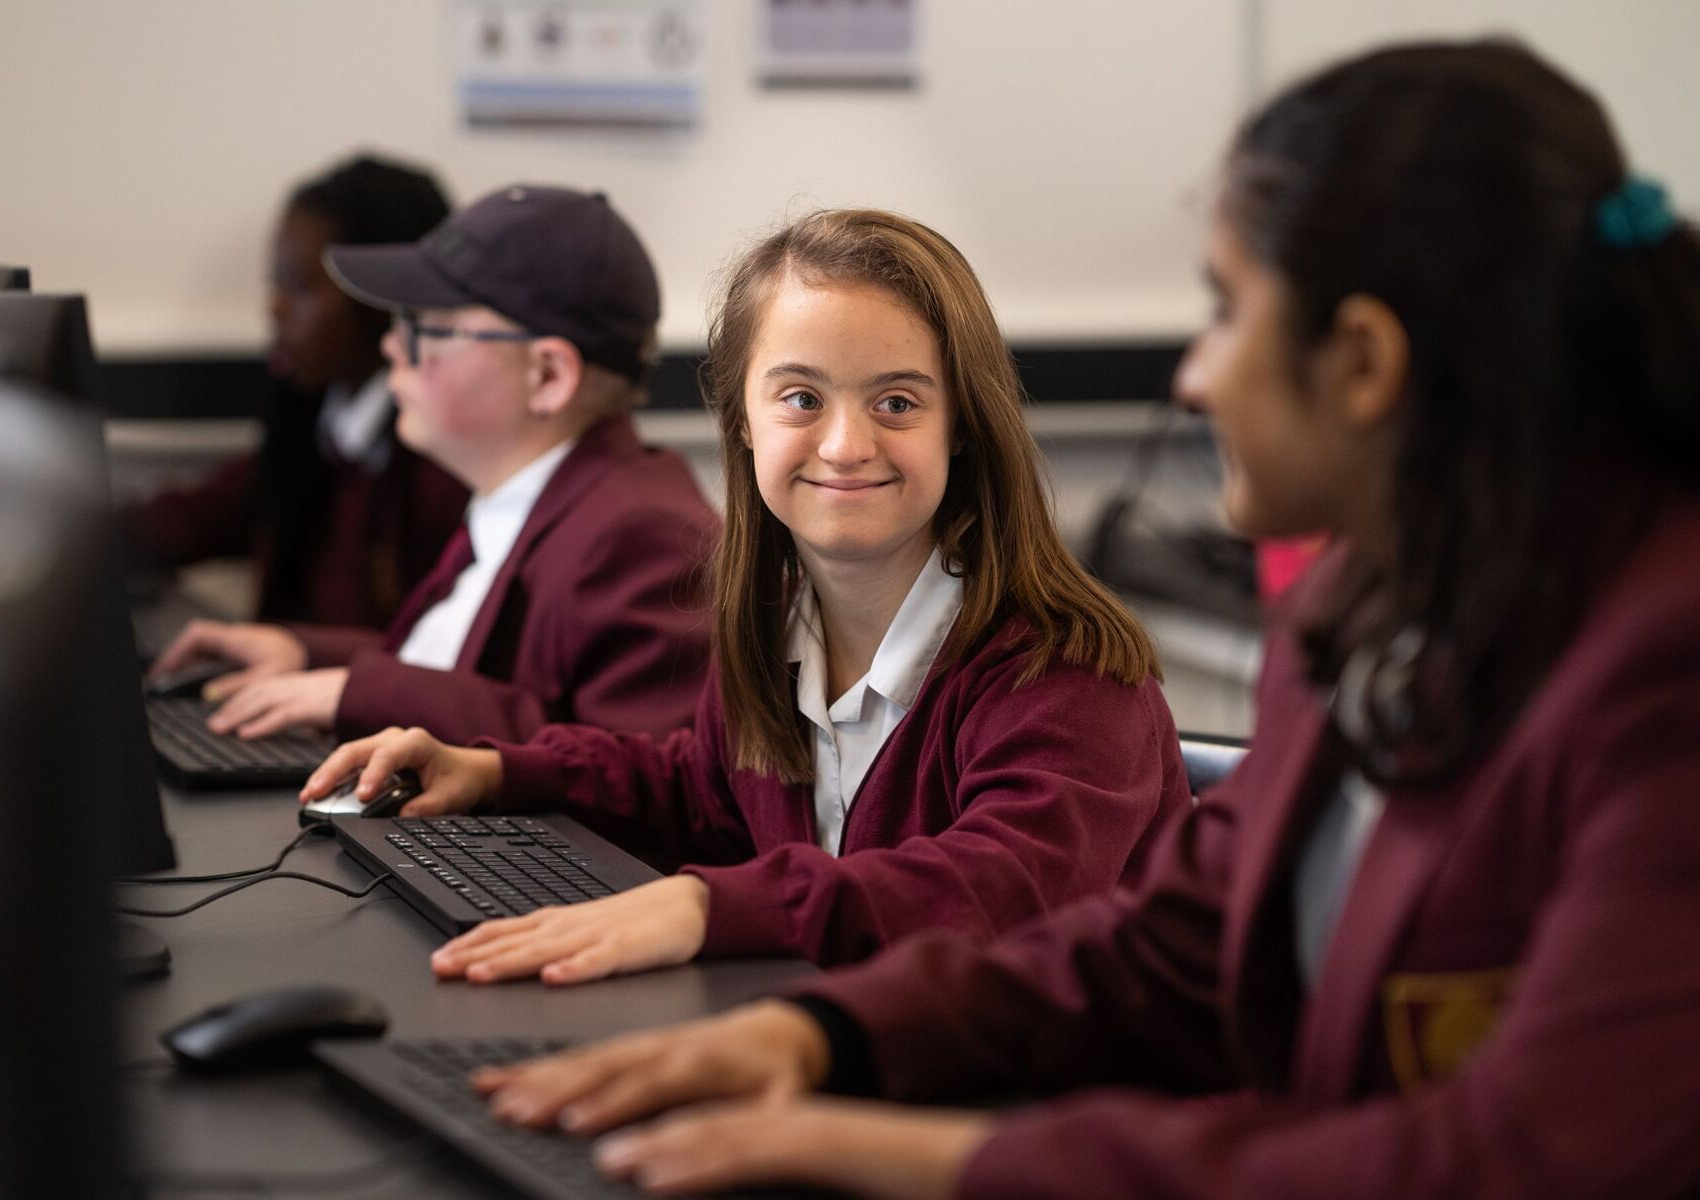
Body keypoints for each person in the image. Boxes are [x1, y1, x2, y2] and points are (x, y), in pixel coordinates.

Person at [451, 41, 1700, 1199]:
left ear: (1361, 362)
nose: (1191, 375)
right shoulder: (1366, 610)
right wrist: (817, 1032)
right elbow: (1161, 954)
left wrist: (934, 1157)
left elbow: (1504, 1160)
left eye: (1222, 309)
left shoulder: (1659, 671)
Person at [303, 208, 1189, 986]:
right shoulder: (773, 627)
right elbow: (702, 792)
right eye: (801, 398)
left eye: (897, 403)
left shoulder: (1061, 671)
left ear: (963, 426)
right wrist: (496, 771)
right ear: (742, 421)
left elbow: (994, 892)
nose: (845, 444)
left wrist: (702, 910)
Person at [151, 185, 717, 744]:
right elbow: (456, 666)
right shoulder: (517, 496)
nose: (392, 349)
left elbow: (642, 772)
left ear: (546, 376)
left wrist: (361, 694)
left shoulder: (643, 536)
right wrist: (303, 651)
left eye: (423, 327)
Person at [125, 154, 468, 627]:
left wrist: (294, 648)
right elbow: (186, 522)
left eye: (299, 284)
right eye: (275, 282)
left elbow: (433, 652)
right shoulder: (309, 423)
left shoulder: (443, 465)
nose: (275, 308)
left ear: (379, 298)